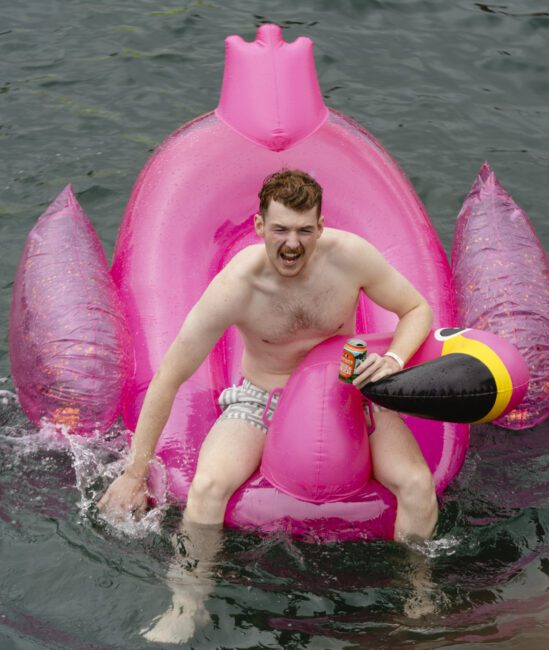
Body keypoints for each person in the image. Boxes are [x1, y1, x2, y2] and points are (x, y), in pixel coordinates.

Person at [98, 169, 438, 642]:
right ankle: (187, 604)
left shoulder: (351, 258)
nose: (292, 243)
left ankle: (419, 600)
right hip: (263, 397)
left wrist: (395, 360)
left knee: (418, 484)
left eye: (303, 230)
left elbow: (417, 309)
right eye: (280, 230)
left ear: (320, 228)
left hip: (346, 393)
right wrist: (135, 472)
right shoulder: (237, 285)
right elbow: (170, 375)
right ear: (260, 228)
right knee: (208, 485)